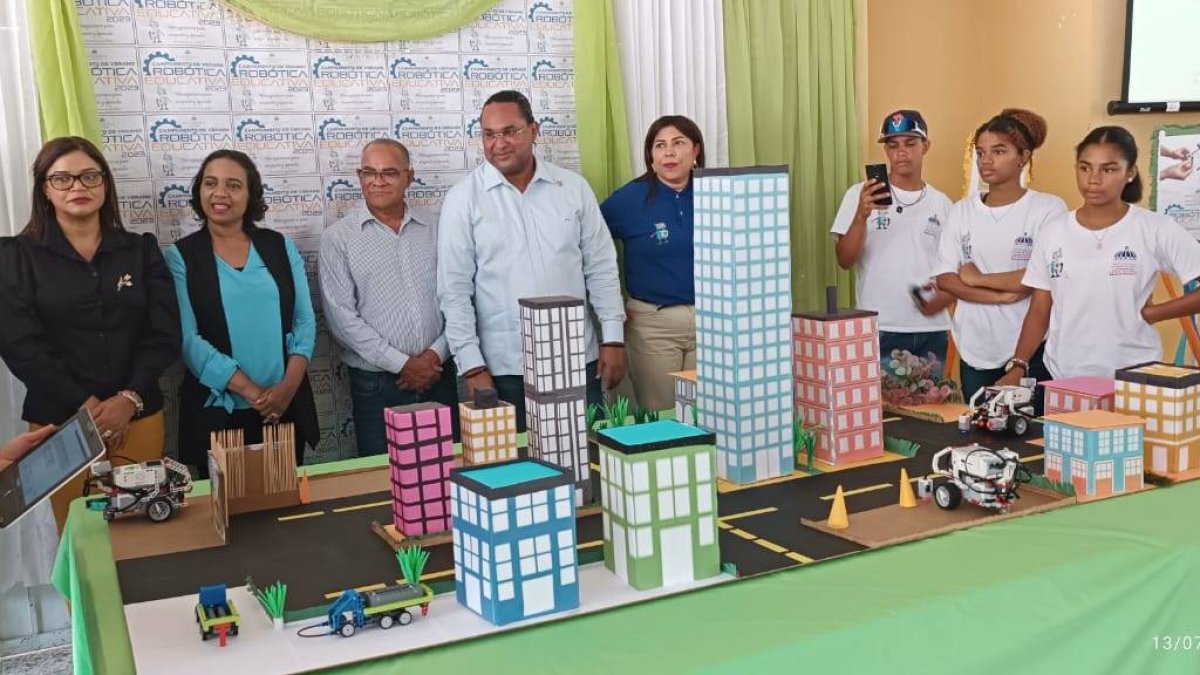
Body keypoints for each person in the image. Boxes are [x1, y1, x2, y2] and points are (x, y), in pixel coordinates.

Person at [0, 136, 180, 528]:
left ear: (105, 184)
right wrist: (89, 408)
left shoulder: (141, 250)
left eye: (88, 176)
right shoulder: (15, 256)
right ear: (45, 190)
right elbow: (20, 344)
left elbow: (163, 333)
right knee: (82, 538)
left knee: (145, 534)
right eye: (62, 179)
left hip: (137, 416)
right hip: (58, 427)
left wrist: (127, 400)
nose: (77, 187)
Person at [438, 90, 626, 429]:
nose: (499, 143)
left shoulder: (572, 188)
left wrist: (612, 338)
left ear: (534, 130)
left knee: (590, 460)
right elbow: (453, 290)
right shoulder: (463, 199)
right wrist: (472, 366)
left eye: (510, 131)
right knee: (521, 474)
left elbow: (601, 267)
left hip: (578, 360)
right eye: (489, 134)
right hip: (505, 370)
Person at [998, 126, 1200, 386]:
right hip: (1063, 375)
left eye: (1108, 169)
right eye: (1085, 168)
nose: (1093, 179)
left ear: (1130, 173)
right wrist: (1018, 366)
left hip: (1133, 376)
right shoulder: (1054, 231)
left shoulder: (1155, 228)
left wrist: (1155, 313)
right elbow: (1040, 309)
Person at [165, 150, 317, 477]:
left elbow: (304, 320)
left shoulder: (279, 246)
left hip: (285, 408)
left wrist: (287, 388)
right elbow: (188, 340)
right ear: (199, 192)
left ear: (250, 195)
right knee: (229, 519)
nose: (220, 193)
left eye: (233, 185)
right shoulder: (181, 256)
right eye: (210, 184)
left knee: (283, 513)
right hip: (219, 415)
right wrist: (253, 392)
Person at [320, 139, 459, 456]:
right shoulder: (338, 239)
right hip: (377, 385)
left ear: (409, 177)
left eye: (389, 173)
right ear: (359, 175)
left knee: (447, 474)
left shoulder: (437, 228)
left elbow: (459, 298)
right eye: (369, 172)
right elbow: (342, 319)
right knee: (383, 484)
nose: (377, 181)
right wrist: (404, 365)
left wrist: (434, 356)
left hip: (439, 374)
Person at [935, 109, 1067, 403]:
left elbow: (1036, 280)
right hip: (974, 347)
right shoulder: (961, 211)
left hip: (1031, 349)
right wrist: (999, 296)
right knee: (981, 439)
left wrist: (976, 278)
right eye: (981, 153)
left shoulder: (1048, 209)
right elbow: (945, 279)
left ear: (1023, 156)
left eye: (999, 151)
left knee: (1030, 438)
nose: (986, 161)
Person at [831, 109, 954, 375]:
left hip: (930, 329)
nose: (901, 152)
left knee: (929, 411)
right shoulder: (859, 194)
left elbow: (956, 269)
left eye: (910, 143)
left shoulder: (943, 204)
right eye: (893, 145)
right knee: (879, 411)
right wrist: (862, 215)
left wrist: (942, 297)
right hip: (878, 325)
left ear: (926, 146)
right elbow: (844, 259)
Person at [600, 115, 703, 412]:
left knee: (707, 413)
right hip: (653, 324)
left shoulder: (716, 192)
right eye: (660, 145)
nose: (669, 153)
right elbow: (590, 247)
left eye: (678, 143)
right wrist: (612, 307)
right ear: (650, 156)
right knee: (665, 413)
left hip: (711, 320)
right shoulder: (630, 199)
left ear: (695, 150)